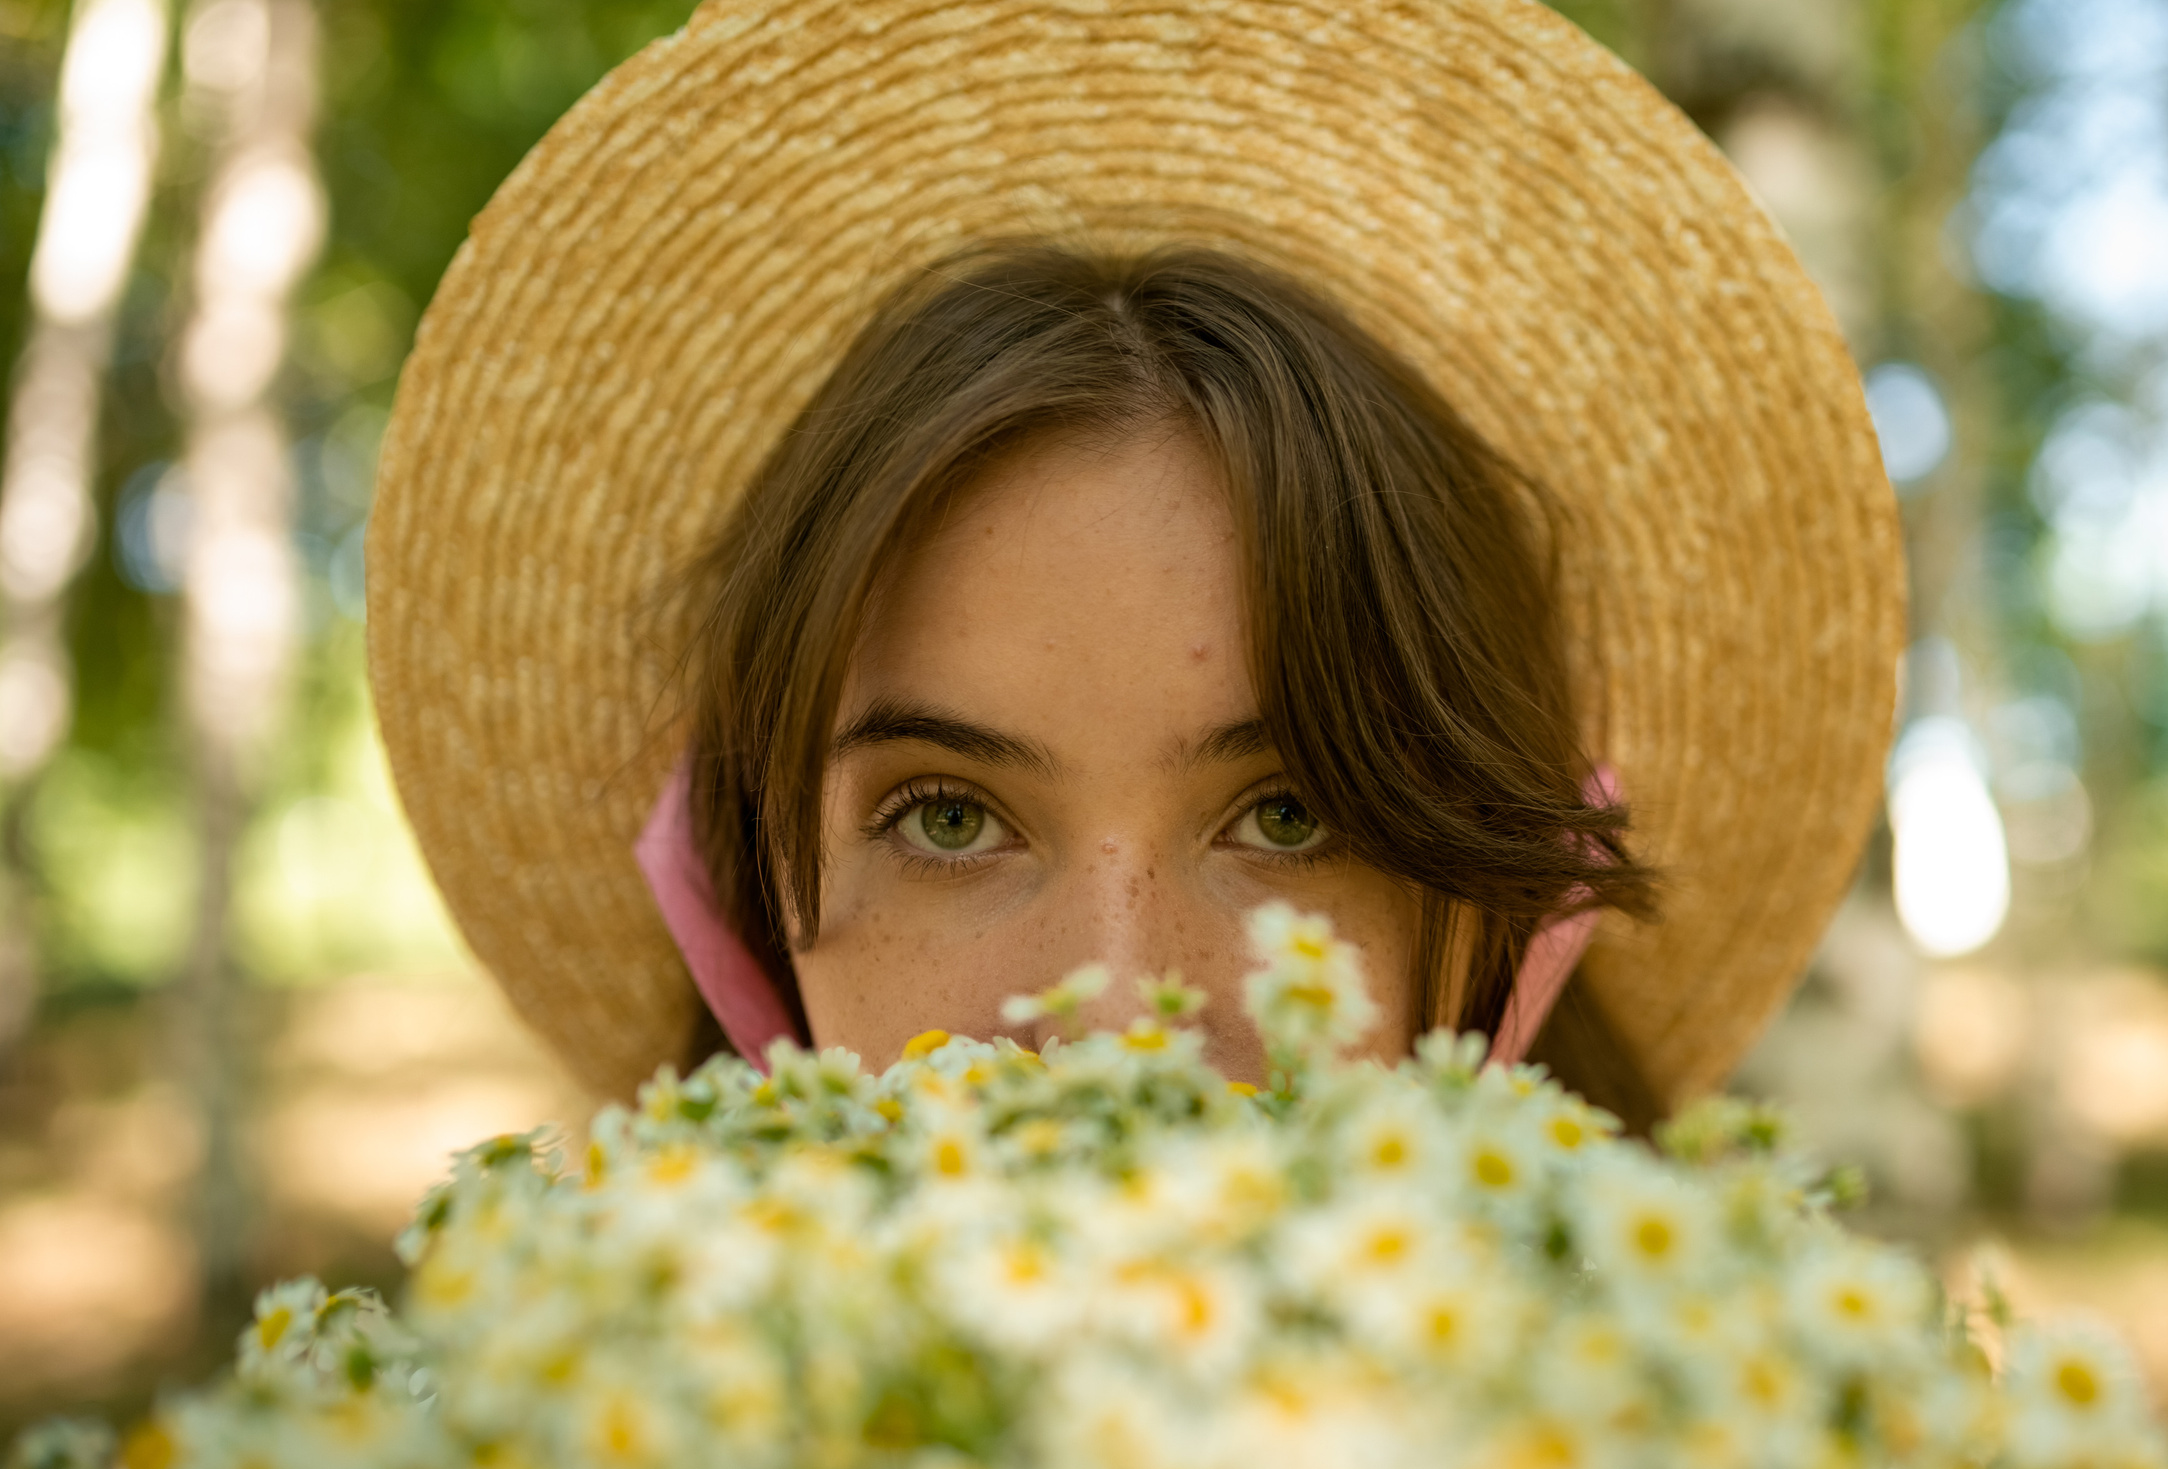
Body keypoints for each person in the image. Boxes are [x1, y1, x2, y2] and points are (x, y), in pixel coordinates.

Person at [366, 0, 1903, 1130]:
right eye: (948, 814)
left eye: (1293, 811)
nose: (1115, 1021)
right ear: (747, 896)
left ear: (1516, 919)